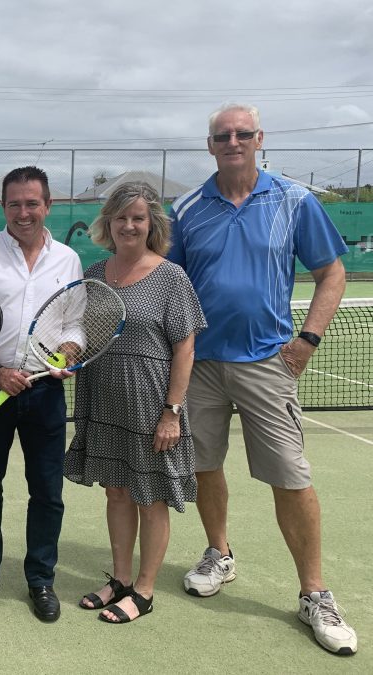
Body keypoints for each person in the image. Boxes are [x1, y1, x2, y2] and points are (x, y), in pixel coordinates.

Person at [169, 103, 356, 655]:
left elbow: (331, 273)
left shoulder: (295, 200)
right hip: (198, 367)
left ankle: (315, 592)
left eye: (242, 134)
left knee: (290, 477)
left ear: (259, 139)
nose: (232, 141)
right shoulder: (186, 208)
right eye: (222, 135)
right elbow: (170, 283)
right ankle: (218, 553)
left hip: (267, 366)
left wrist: (307, 341)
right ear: (209, 146)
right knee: (204, 467)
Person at [63, 182, 205, 623]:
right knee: (117, 491)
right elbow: (82, 336)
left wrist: (172, 411)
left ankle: (144, 591)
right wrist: (67, 355)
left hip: (151, 405)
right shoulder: (94, 273)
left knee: (150, 497)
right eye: (120, 217)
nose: (128, 225)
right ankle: (121, 579)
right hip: (102, 399)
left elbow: (185, 347)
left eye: (138, 218)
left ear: (152, 224)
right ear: (108, 223)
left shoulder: (170, 276)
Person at [0, 166, 82, 622]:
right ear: (3, 207)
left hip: (45, 392)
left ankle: (40, 578)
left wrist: (67, 352)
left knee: (47, 491)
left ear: (47, 205)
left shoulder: (67, 260)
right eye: (14, 204)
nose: (23, 212)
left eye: (32, 203)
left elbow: (74, 323)